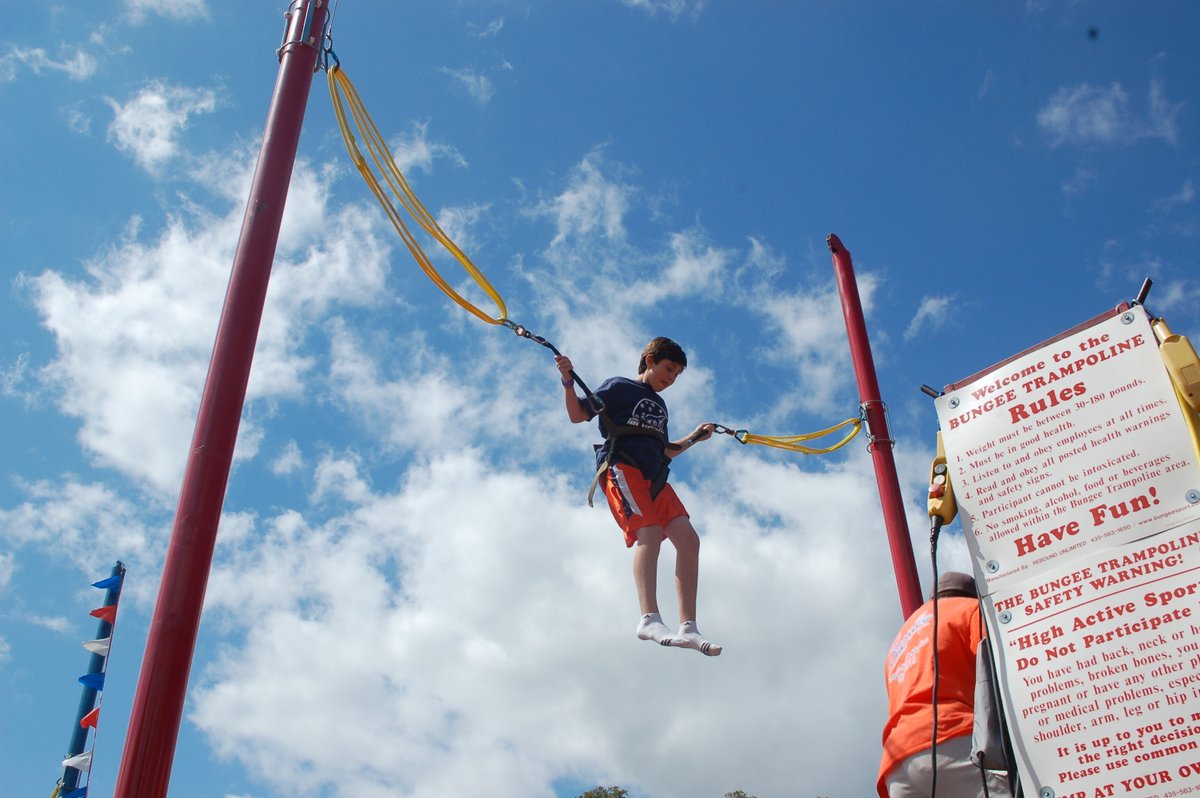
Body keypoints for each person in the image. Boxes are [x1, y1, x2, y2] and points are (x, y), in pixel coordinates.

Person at [555, 337, 722, 657]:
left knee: (689, 541)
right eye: (668, 369)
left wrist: (695, 438)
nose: (671, 378)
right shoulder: (619, 386)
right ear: (649, 360)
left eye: (676, 375)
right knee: (650, 533)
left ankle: (688, 626)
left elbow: (665, 451)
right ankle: (649, 619)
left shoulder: (660, 406)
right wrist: (567, 381)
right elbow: (579, 414)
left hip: (654, 476)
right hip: (622, 467)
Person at [877, 571, 1010, 798]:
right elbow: (998, 674)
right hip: (954, 740)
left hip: (898, 766)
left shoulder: (901, 639)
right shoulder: (971, 610)